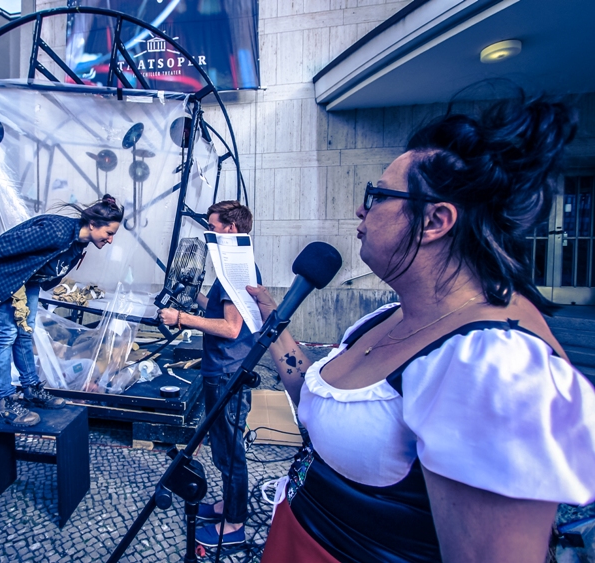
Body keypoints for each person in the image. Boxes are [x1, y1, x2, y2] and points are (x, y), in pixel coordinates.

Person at [245, 95, 595, 562]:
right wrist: (273, 323)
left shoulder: (493, 367)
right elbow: (322, 406)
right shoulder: (389, 317)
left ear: (434, 221)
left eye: (377, 195)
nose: (360, 210)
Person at [0, 195, 124, 426]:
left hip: (27, 281)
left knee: (25, 333)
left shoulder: (78, 243)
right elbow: (1, 244)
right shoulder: (57, 231)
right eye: (109, 233)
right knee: (5, 336)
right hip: (5, 278)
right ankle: (5, 401)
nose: (110, 240)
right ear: (92, 224)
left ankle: (31, 388)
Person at [158, 200, 260, 548]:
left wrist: (181, 319)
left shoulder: (237, 270)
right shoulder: (233, 266)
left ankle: (235, 524)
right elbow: (220, 310)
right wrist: (194, 295)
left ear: (231, 228)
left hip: (228, 371)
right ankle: (227, 507)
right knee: (222, 449)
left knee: (230, 453)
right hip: (223, 369)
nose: (209, 232)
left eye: (213, 226)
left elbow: (231, 328)